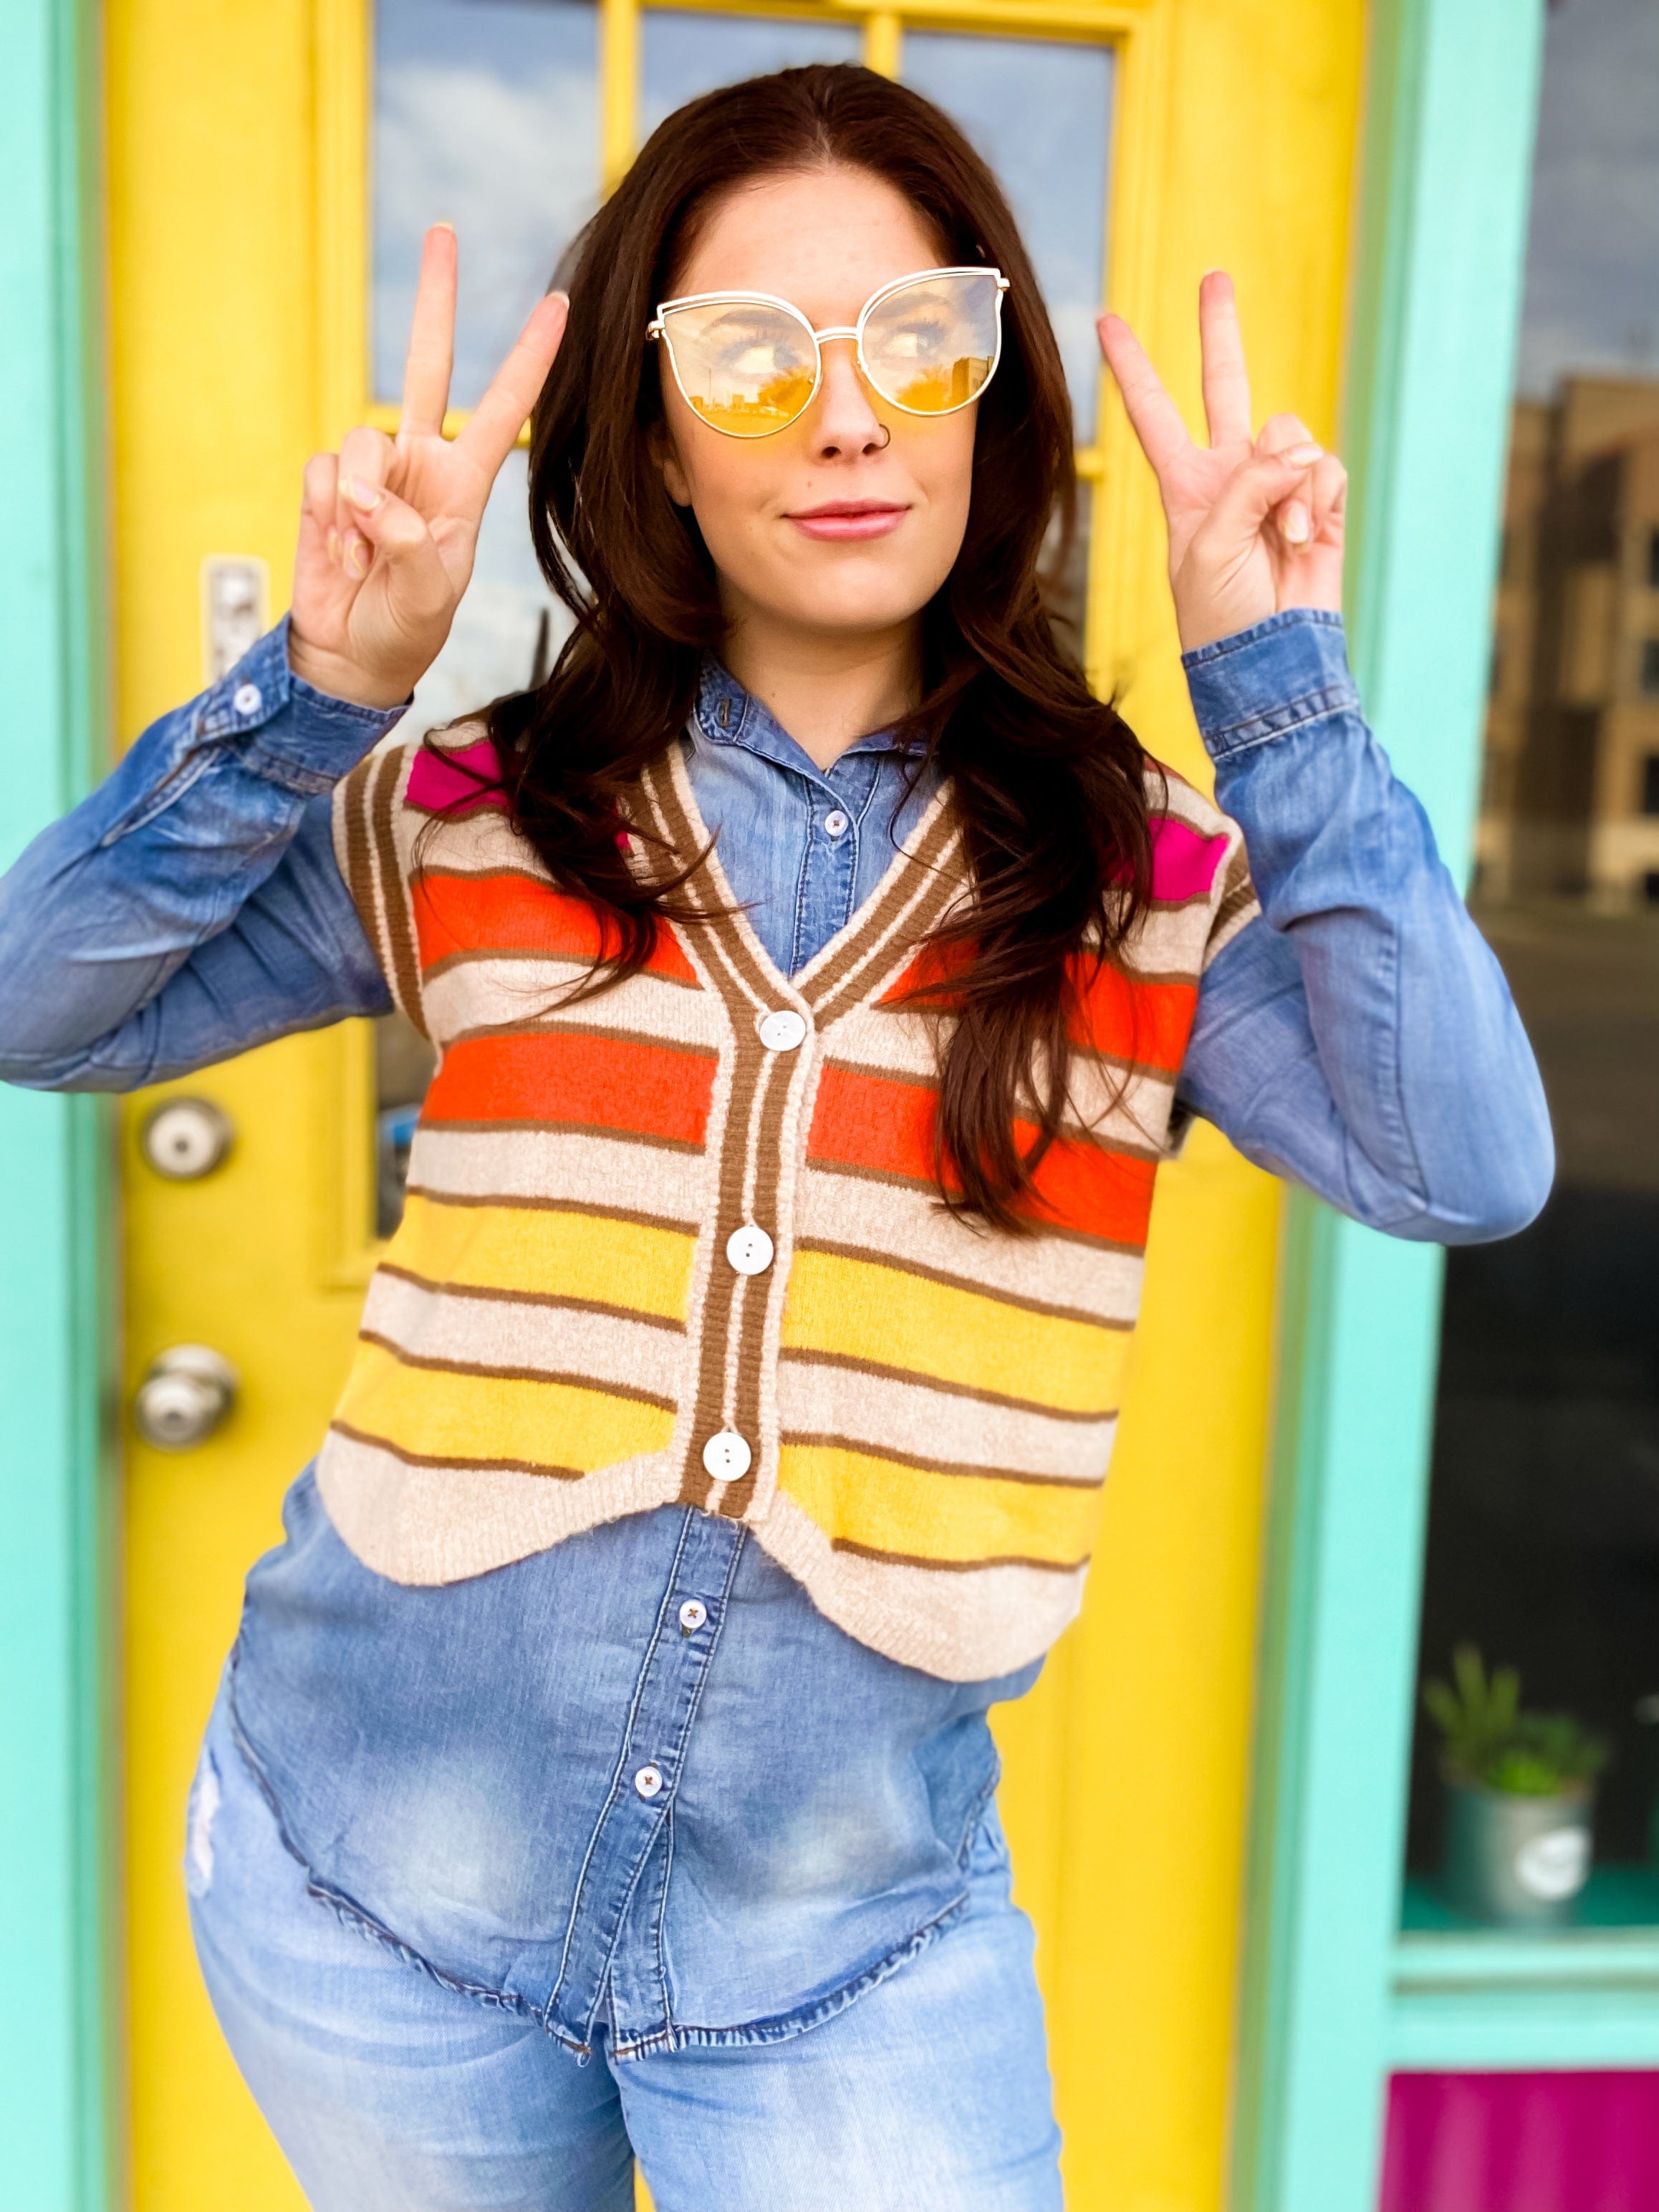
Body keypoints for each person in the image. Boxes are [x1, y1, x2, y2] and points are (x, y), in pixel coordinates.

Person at [0, 62, 1550, 2212]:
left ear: (992, 408)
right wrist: (323, 685)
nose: (846, 417)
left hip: (847, 1959)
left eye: (921, 341)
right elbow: (38, 1001)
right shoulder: (473, 811)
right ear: (650, 439)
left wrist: (1275, 686)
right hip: (361, 1898)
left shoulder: (1151, 883)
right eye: (748, 363)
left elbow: (1459, 1160)